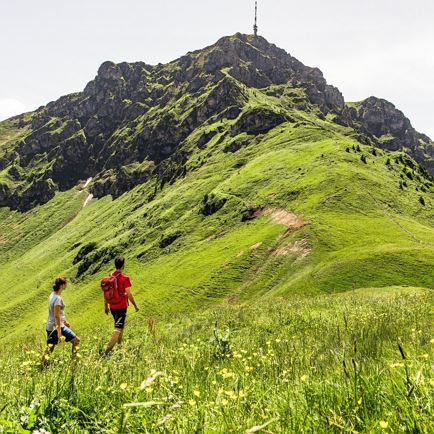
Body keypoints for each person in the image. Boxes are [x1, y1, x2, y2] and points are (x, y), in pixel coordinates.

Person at [104, 256, 139, 354]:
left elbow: (106, 292)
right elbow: (129, 294)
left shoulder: (110, 276)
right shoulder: (125, 278)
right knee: (118, 329)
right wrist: (135, 305)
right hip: (121, 307)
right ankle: (105, 353)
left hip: (112, 307)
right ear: (123, 266)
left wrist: (106, 305)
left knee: (120, 327)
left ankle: (119, 347)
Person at [46, 277, 80, 354]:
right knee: (76, 341)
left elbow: (56, 312)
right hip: (57, 327)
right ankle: (74, 362)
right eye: (65, 284)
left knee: (50, 348)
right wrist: (59, 332)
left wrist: (64, 321)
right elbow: (56, 316)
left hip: (50, 326)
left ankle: (43, 363)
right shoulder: (57, 299)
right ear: (61, 286)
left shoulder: (52, 295)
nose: (67, 285)